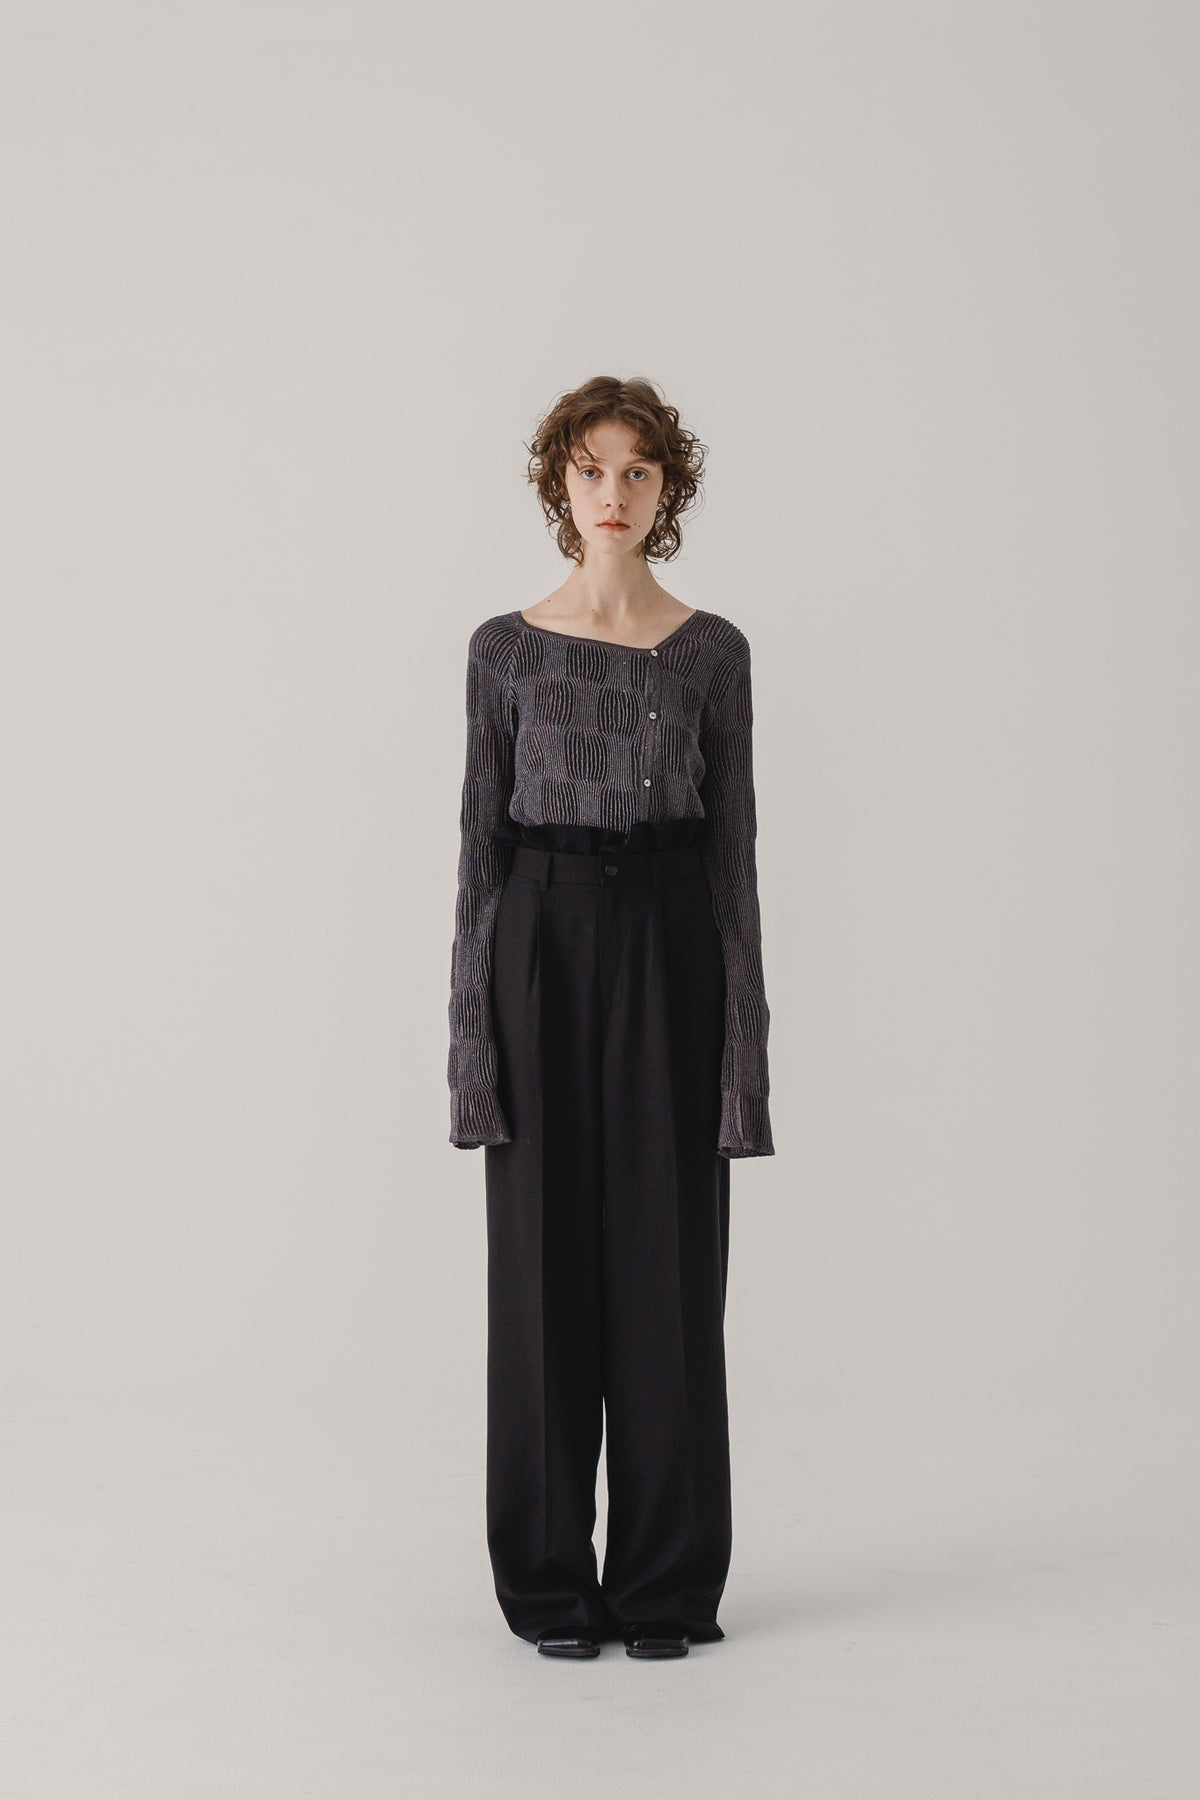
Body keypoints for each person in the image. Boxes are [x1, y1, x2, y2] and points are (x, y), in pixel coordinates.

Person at [447, 374, 775, 1661]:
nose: (614, 492)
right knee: (541, 1266)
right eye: (592, 468)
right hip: (539, 933)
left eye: (639, 470)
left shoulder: (713, 653)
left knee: (668, 1262)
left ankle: (665, 1585)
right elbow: (477, 858)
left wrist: (743, 1061)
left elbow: (735, 863)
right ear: (559, 483)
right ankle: (545, 1585)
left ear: (668, 487)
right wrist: (472, 1054)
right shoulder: (504, 649)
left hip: (671, 939)